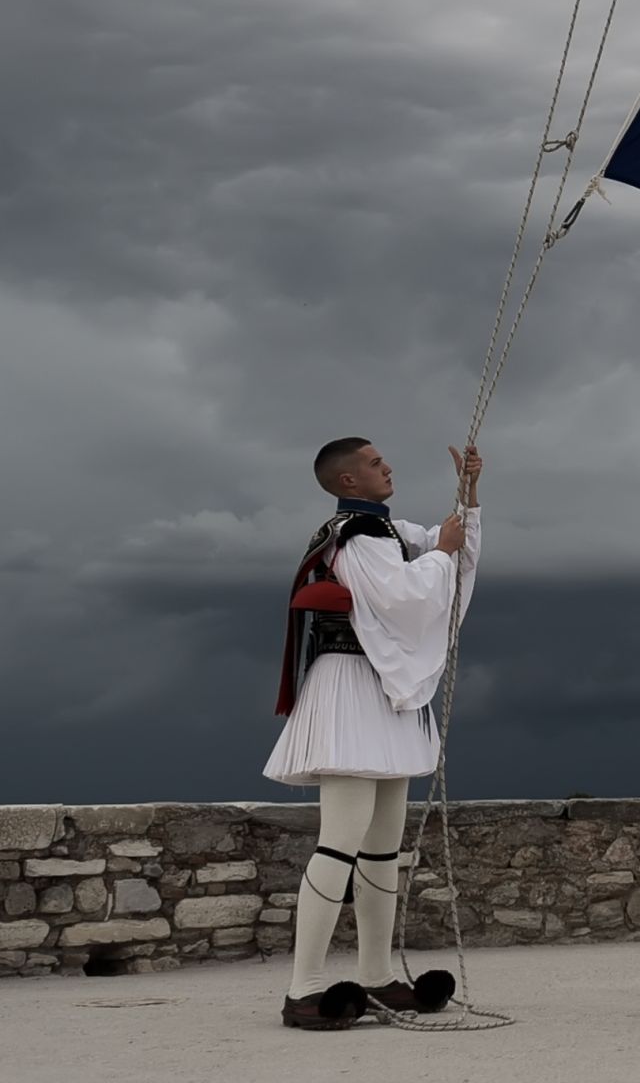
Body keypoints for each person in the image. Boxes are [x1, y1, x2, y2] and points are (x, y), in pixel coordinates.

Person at [264, 439, 481, 1030]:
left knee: (384, 846)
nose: (388, 467)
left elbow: (439, 546)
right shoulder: (355, 534)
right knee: (339, 842)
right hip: (354, 688)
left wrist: (468, 499)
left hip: (382, 687)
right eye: (375, 462)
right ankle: (303, 988)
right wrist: (444, 552)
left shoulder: (382, 531)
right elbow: (403, 596)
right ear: (348, 481)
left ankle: (377, 974)